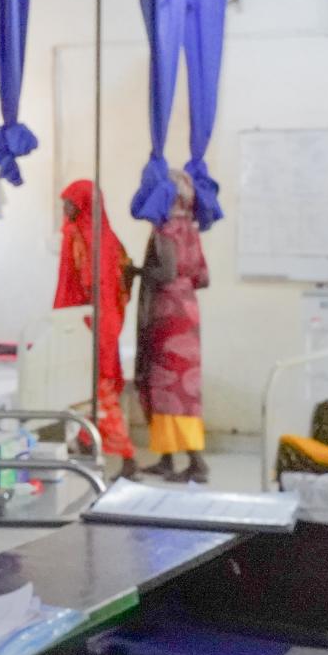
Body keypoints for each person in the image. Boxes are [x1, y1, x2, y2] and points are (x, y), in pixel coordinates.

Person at [54, 179, 137, 479]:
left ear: (83, 204)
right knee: (88, 386)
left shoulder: (84, 237)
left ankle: (128, 458)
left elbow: (90, 284)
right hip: (96, 320)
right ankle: (87, 443)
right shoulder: (101, 236)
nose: (64, 208)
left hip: (89, 323)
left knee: (99, 388)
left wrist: (78, 321)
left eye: (69, 203)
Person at [135, 171, 210, 483]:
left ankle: (197, 464)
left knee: (167, 388)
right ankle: (167, 459)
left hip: (168, 315)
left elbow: (164, 272)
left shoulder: (164, 230)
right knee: (180, 389)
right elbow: (204, 278)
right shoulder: (191, 229)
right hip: (188, 311)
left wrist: (135, 271)